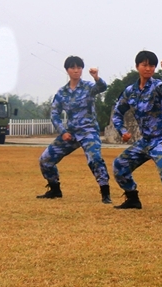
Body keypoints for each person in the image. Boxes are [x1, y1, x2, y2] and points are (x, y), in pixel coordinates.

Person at [110, 51, 162, 217]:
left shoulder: (157, 86)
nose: (148, 68)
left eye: (152, 65)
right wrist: (122, 130)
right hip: (145, 141)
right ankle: (132, 198)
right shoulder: (130, 91)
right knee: (119, 165)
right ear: (137, 66)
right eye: (144, 65)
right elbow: (117, 113)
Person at [37, 56, 111, 203]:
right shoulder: (62, 92)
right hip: (70, 133)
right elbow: (54, 114)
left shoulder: (89, 87)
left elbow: (103, 87)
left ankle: (105, 193)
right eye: (73, 67)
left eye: (79, 67)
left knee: (95, 159)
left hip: (88, 131)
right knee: (45, 159)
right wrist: (63, 132)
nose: (76, 70)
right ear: (67, 70)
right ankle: (54, 189)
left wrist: (96, 77)